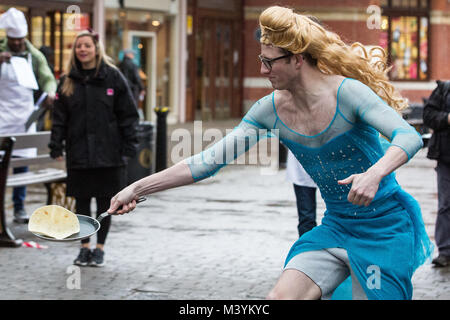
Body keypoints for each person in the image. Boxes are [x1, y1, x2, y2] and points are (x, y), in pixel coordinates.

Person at [108, 6, 433, 299]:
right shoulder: (270, 110)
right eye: (260, 61)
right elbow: (206, 162)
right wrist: (136, 187)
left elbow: (407, 136)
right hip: (336, 228)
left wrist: (375, 173)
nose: (263, 70)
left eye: (269, 61)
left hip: (385, 229)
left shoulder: (347, 93)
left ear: (297, 59)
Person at [49, 29, 139, 267]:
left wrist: (129, 145)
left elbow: (128, 114)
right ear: (75, 51)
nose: (83, 50)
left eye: (87, 45)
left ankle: (99, 248)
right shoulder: (67, 80)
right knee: (81, 203)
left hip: (109, 153)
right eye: (79, 46)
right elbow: (59, 118)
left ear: (96, 48)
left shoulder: (113, 77)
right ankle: (84, 247)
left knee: (105, 204)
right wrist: (55, 144)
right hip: (79, 153)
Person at [0, 8, 56, 223]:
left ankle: (19, 207)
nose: (16, 43)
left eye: (20, 39)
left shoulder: (34, 55)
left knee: (21, 164)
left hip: (24, 116)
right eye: (13, 40)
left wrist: (50, 92)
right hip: (2, 114)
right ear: (8, 37)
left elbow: (47, 77)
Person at [423, 80, 450, 267]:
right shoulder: (443, 89)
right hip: (446, 157)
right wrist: (447, 118)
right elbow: (428, 115)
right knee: (446, 204)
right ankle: (446, 251)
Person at [286, 149, 317, 237]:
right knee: (306, 217)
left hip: (333, 165)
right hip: (301, 167)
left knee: (340, 214)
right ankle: (308, 248)